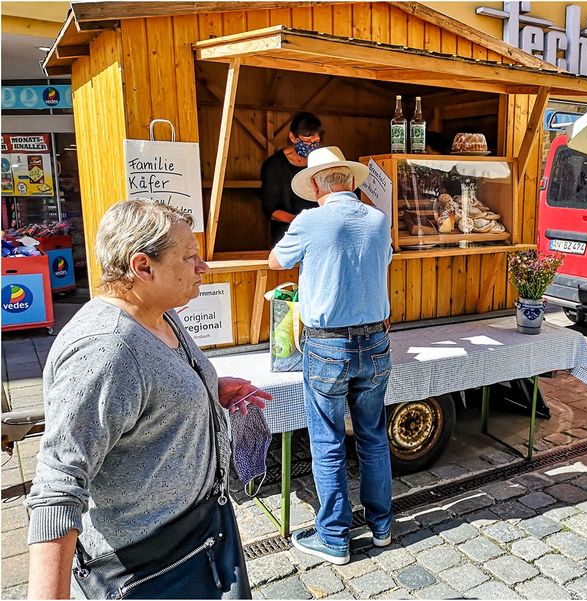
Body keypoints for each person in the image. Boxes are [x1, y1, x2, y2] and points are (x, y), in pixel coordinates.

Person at [26, 200, 271, 599]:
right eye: (190, 257)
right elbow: (57, 485)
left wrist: (206, 391)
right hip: (150, 568)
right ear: (143, 267)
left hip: (201, 535)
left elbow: (151, 391)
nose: (203, 266)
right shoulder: (106, 349)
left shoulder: (159, 311)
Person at [268, 146, 393, 565]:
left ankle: (335, 537)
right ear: (351, 181)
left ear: (318, 183)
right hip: (376, 340)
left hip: (328, 343)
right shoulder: (378, 220)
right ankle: (381, 527)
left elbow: (274, 261)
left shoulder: (310, 220)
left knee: (327, 442)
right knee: (374, 436)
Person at [260, 111, 323, 245]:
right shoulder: (274, 166)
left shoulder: (320, 161)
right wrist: (301, 222)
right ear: (293, 137)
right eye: (307, 142)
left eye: (316, 142)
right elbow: (271, 210)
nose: (311, 147)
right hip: (288, 232)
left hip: (320, 229)